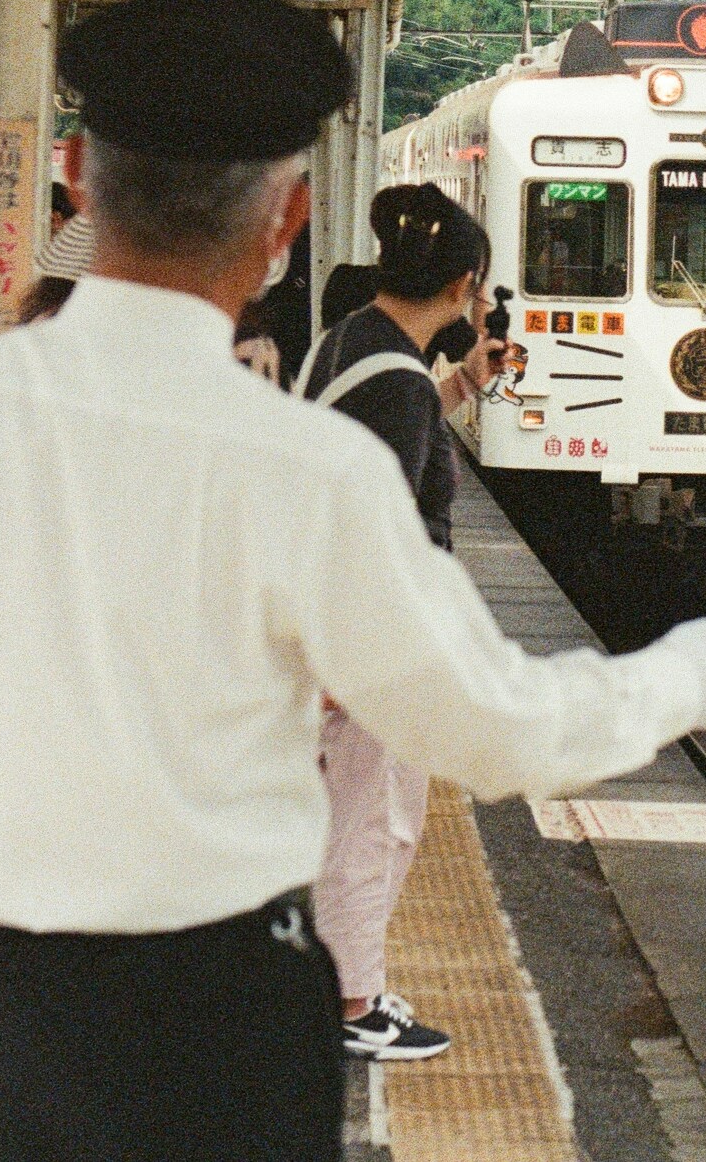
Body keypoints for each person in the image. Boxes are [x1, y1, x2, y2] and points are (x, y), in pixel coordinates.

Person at [0, 0, 706, 1160]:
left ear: (73, 175)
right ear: (291, 218)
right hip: (216, 1012)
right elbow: (491, 725)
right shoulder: (307, 471)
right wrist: (680, 677)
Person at [298, 182, 501, 1059]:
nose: (486, 302)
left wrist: (461, 383)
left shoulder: (356, 344)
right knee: (373, 816)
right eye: (482, 286)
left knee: (358, 813)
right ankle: (355, 1004)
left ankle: (349, 979)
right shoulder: (396, 383)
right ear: (460, 286)